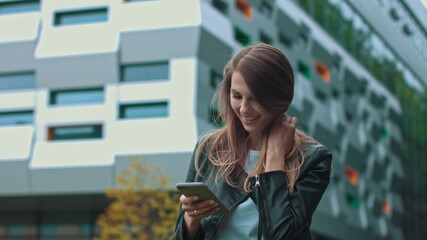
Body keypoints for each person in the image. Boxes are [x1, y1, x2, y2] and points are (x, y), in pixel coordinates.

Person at [172, 43, 332, 240]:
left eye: (255, 98)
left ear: (280, 98)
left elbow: (281, 235)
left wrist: (274, 158)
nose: (244, 109)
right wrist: (191, 219)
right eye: (237, 96)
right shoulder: (208, 147)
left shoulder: (312, 159)